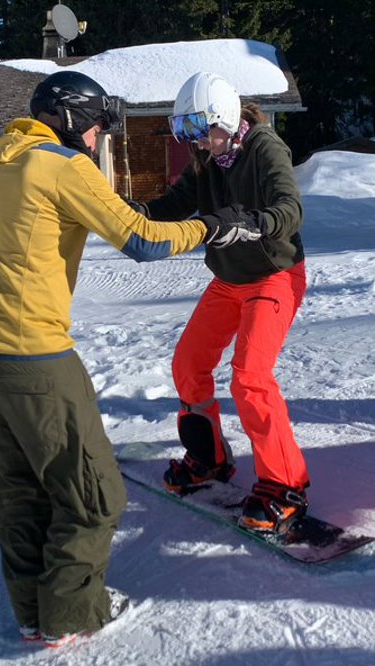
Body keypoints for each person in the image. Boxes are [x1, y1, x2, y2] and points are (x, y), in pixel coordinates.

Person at [0, 71, 246, 647]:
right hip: (30, 355)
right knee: (95, 493)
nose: (95, 140)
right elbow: (141, 241)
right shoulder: (61, 166)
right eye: (92, 128)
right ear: (66, 120)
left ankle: (33, 613)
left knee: (20, 489)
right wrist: (214, 227)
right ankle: (68, 615)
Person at [133, 72, 310, 535]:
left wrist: (252, 223)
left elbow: (290, 209)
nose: (198, 142)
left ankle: (285, 484)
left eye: (202, 129)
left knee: (250, 376)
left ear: (228, 120)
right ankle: (209, 458)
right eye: (187, 133)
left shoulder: (264, 148)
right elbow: (175, 203)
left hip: (274, 275)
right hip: (229, 279)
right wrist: (126, 213)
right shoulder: (208, 157)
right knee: (189, 363)